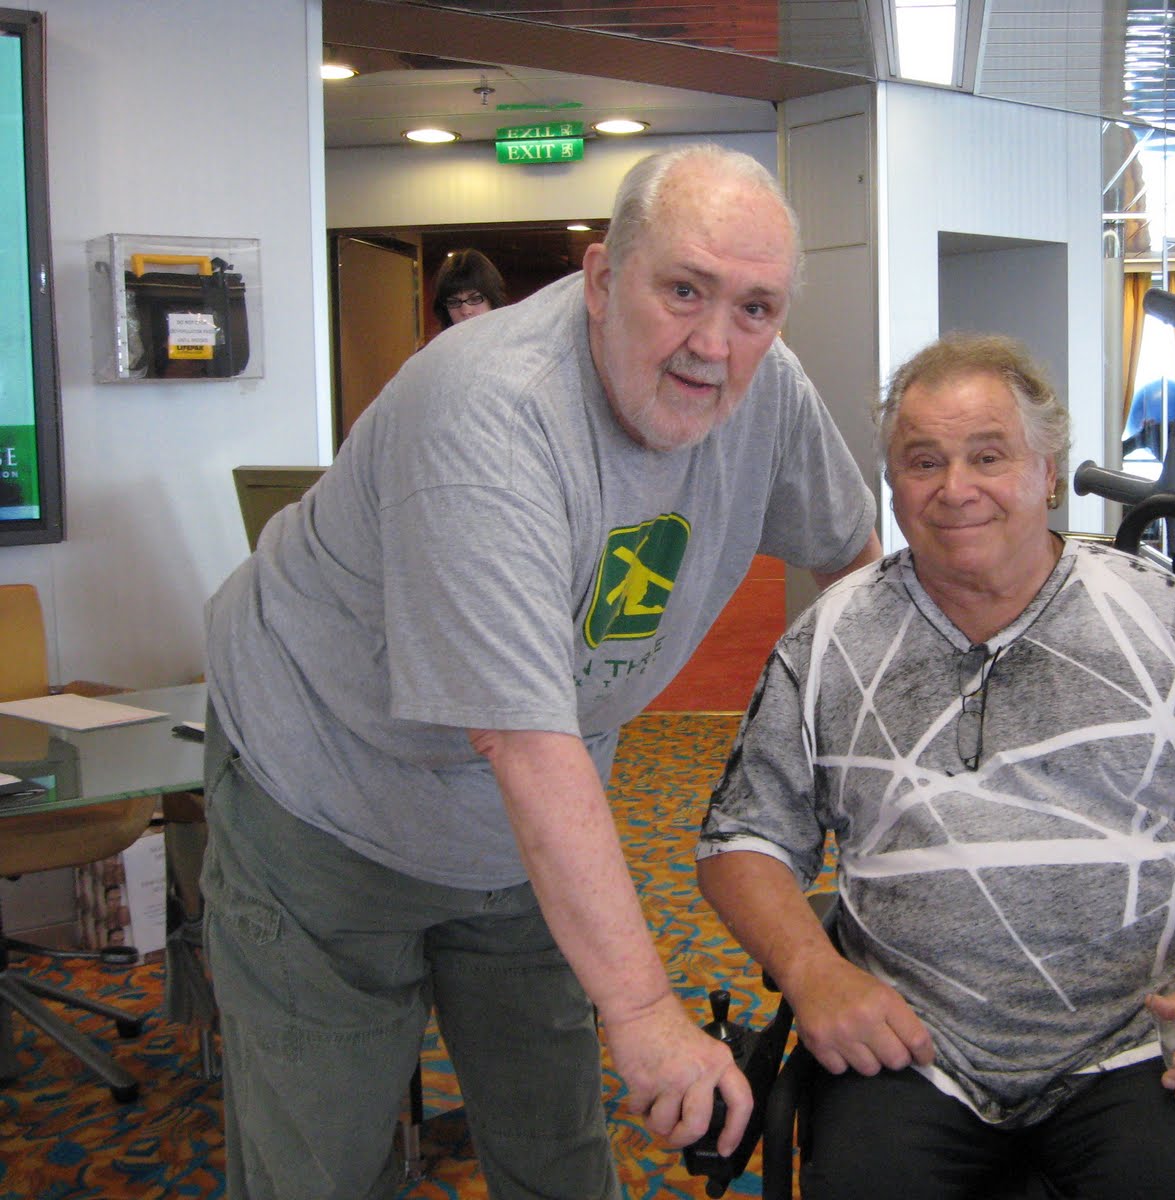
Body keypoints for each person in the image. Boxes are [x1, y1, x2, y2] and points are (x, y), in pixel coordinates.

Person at [201, 144, 882, 1200]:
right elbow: (521, 740)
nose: (714, 343)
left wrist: (863, 777)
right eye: (683, 290)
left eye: (755, 308)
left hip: (527, 833)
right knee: (323, 1168)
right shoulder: (489, 411)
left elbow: (855, 566)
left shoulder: (765, 389)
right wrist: (649, 1013)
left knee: (556, 1146)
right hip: (325, 797)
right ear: (602, 278)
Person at [697, 332, 1175, 1200]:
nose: (956, 489)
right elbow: (741, 840)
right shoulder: (832, 638)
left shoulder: (1162, 619)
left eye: (988, 455)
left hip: (1146, 1041)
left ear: (1048, 470)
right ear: (892, 484)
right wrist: (812, 972)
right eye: (924, 461)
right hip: (911, 1048)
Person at [431, 246, 507, 328]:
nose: (465, 311)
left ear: (493, 300)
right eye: (454, 302)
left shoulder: (515, 338)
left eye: (475, 299)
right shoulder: (442, 341)